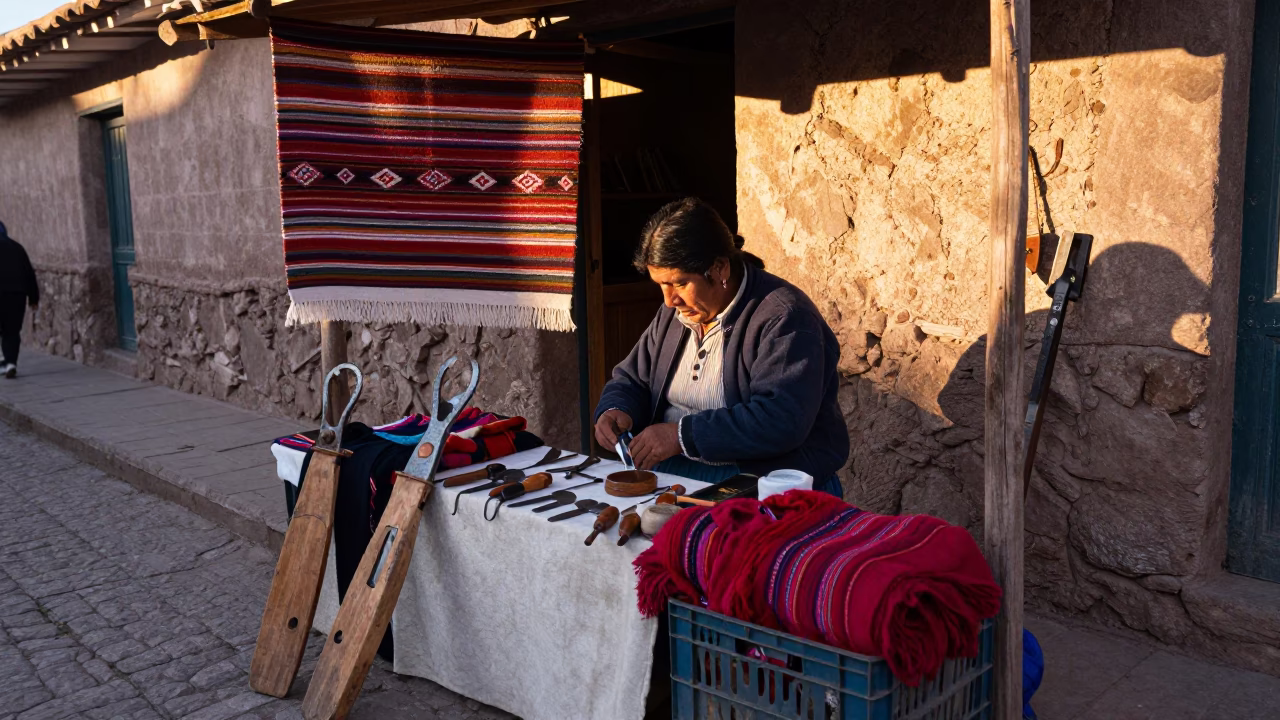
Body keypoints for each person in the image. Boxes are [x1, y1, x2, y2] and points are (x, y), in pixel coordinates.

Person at [594, 198, 849, 497]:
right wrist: (615, 408)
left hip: (760, 482)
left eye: (679, 283)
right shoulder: (678, 312)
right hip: (675, 472)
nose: (668, 300)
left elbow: (781, 419)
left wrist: (681, 436)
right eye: (660, 284)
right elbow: (633, 378)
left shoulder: (785, 317)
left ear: (720, 268)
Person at [0, 221, 39, 379]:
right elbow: (29, 273)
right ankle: (10, 363)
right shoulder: (17, 248)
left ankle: (4, 361)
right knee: (12, 331)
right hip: (17, 295)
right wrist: (34, 298)